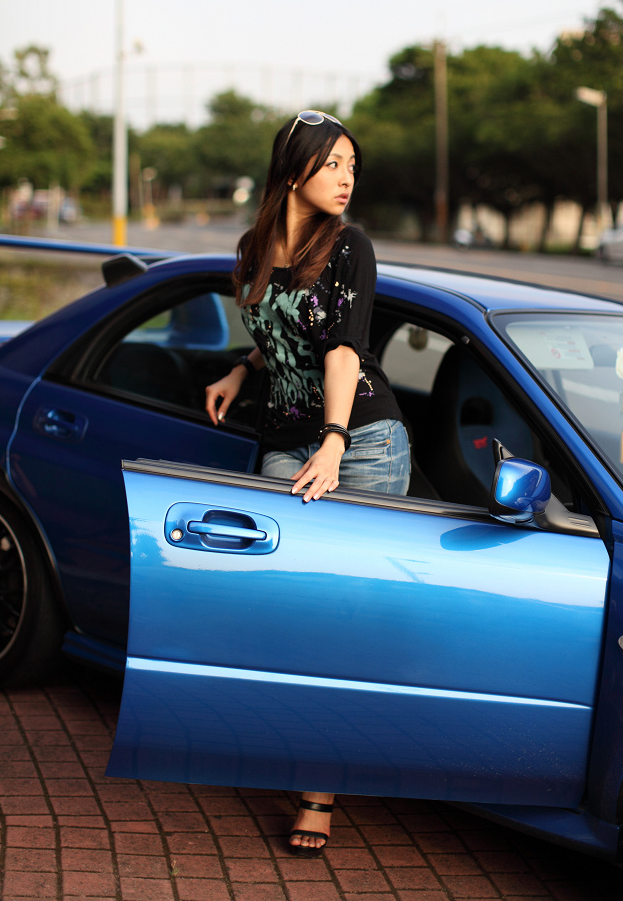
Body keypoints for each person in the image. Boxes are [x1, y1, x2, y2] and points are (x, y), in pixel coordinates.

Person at [205, 109, 411, 855]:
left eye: (353, 165)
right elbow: (281, 329)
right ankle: (292, 742)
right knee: (288, 610)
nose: (347, 178)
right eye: (333, 165)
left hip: (362, 440)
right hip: (285, 439)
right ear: (293, 170)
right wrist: (240, 368)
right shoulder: (253, 249)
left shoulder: (350, 246)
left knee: (343, 619)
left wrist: (334, 440)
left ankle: (318, 791)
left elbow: (342, 349)